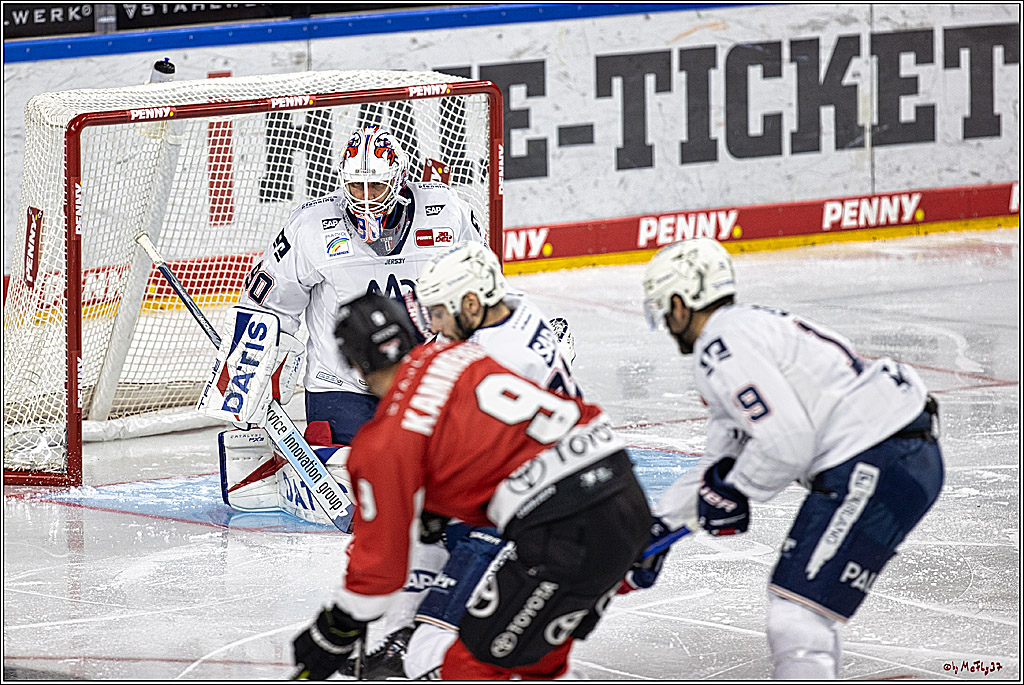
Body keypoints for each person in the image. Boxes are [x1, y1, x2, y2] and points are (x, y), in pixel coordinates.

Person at [292, 292, 651, 680]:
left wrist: (334, 630)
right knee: (535, 662)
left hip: (568, 528)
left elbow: (379, 575)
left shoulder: (384, 442)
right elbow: (492, 442)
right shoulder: (465, 355)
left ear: (355, 363)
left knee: (470, 668)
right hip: (622, 490)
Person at [638, 238, 944, 679]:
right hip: (898, 455)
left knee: (796, 617)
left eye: (664, 310)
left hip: (879, 458)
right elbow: (723, 458)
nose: (666, 324)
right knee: (805, 610)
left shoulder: (720, 346)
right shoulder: (745, 329)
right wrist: (662, 525)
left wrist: (735, 491)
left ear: (682, 303)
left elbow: (787, 444)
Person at [214, 125, 486, 522]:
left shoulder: (447, 211)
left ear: (400, 179)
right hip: (341, 386)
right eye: (355, 187)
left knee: (460, 476)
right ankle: (290, 473)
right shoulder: (310, 228)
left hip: (428, 379)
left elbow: (482, 288)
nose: (365, 199)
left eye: (375, 187)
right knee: (364, 485)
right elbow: (267, 304)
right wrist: (251, 373)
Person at [348, 240, 581, 679]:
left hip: (542, 502)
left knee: (445, 543)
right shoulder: (513, 308)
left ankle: (416, 645)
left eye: (440, 311)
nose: (433, 323)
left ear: (471, 302)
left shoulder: (498, 355)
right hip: (536, 474)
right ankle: (404, 634)